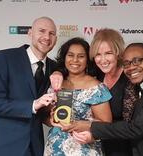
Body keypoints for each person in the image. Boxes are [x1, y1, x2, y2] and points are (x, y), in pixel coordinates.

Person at [62, 43, 143, 156]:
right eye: (126, 63)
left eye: (137, 61)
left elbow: (135, 128)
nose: (131, 67)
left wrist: (90, 126)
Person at [50, 28, 137, 156]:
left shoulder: (129, 79)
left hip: (120, 144)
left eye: (108, 53)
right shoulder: (99, 72)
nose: (103, 59)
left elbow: (131, 125)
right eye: (98, 54)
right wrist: (57, 72)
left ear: (118, 53)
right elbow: (72, 67)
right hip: (67, 145)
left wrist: (90, 132)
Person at [0, 16, 58, 156]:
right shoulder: (4, 58)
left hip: (35, 147)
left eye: (52, 33)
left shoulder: (55, 68)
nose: (47, 37)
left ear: (55, 39)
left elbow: (42, 111)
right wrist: (33, 105)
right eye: (42, 31)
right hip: (3, 147)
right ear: (30, 33)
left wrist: (50, 117)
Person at [44, 37, 112, 156]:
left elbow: (106, 125)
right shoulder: (56, 83)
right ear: (64, 57)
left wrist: (80, 125)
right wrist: (50, 119)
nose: (75, 60)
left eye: (81, 56)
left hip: (84, 148)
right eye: (70, 55)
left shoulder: (96, 88)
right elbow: (46, 119)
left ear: (87, 60)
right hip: (54, 148)